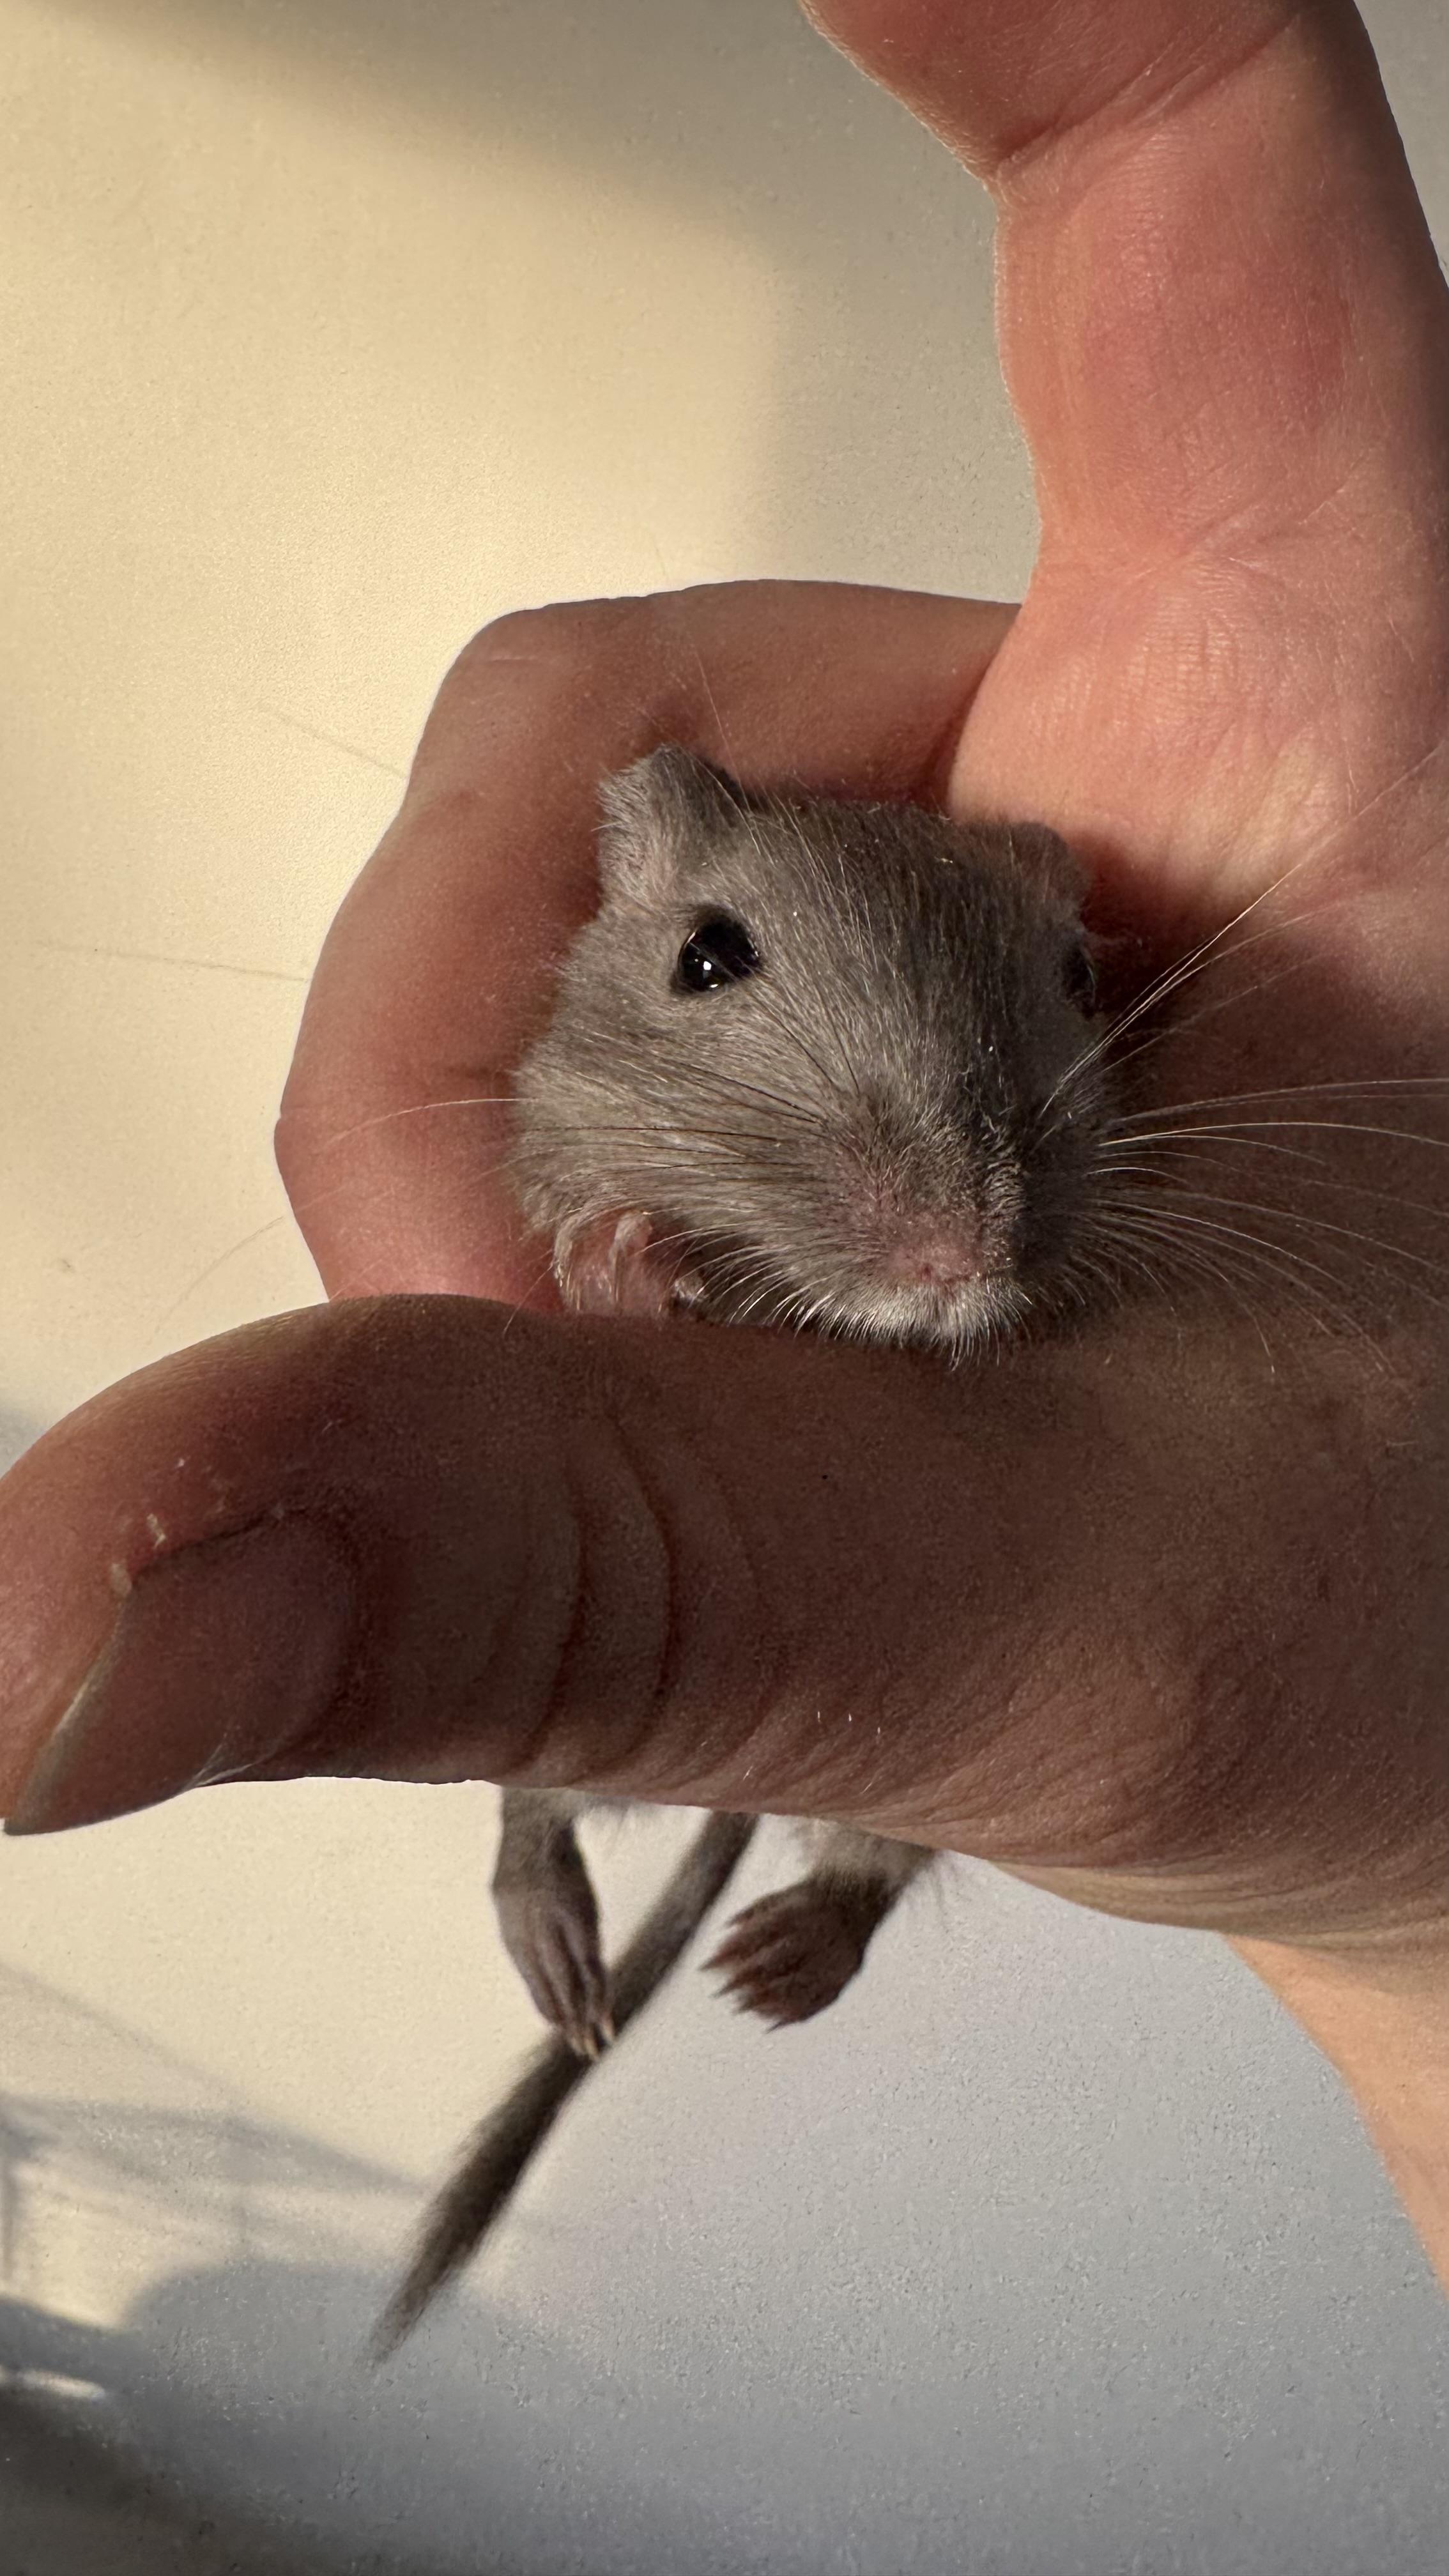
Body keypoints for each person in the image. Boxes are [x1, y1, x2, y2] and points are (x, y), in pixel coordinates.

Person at [4, 0, 1449, 2284]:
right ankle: (529, 1845)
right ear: (638, 909)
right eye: (717, 965)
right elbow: (610, 1347)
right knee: (570, 1659)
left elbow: (1027, 1452)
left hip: (970, 1664)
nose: (967, 1193)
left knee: (886, 1674)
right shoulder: (577, 1104)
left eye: (1057, 988)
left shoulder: (1135, 1152)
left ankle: (845, 1890)